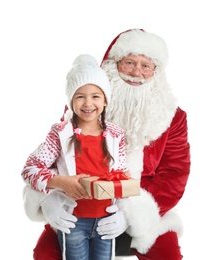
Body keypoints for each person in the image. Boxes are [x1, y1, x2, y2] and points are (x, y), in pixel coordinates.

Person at [23, 29, 191, 260]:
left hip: (143, 205)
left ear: (156, 72)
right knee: (45, 254)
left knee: (169, 255)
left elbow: (174, 174)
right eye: (129, 62)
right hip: (80, 207)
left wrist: (130, 214)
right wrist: (50, 199)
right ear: (112, 65)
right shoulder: (82, 110)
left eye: (146, 65)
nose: (136, 73)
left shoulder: (174, 117)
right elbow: (52, 161)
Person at [21, 54, 130, 260]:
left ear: (106, 100)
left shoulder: (116, 135)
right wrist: (60, 181)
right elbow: (30, 169)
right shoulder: (60, 133)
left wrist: (123, 212)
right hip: (73, 221)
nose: (88, 103)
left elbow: (121, 176)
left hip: (106, 220)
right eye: (80, 96)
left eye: (95, 96)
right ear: (71, 100)